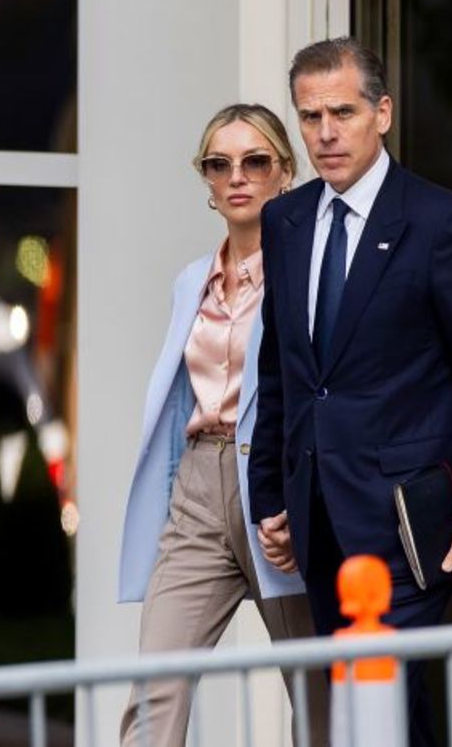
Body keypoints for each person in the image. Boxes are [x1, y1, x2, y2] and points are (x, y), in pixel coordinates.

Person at [247, 37, 452, 747]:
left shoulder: (441, 224)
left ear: (383, 113)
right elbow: (282, 368)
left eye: (342, 112)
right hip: (316, 514)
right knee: (389, 706)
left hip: (408, 521)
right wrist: (270, 495)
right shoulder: (285, 220)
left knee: (366, 696)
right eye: (310, 116)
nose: (325, 133)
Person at [117, 104, 327, 747]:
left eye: (255, 161)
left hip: (279, 490)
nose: (237, 176)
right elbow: (184, 400)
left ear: (284, 173)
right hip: (202, 488)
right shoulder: (191, 283)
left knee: (317, 693)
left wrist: (298, 496)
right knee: (156, 684)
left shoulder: (311, 274)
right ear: (206, 182)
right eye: (219, 164)